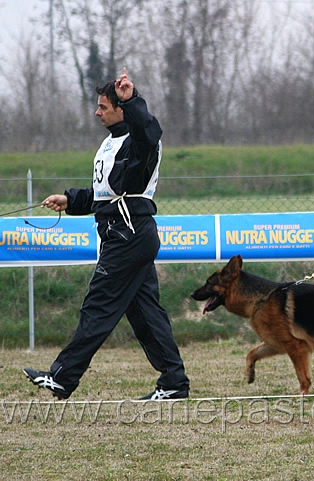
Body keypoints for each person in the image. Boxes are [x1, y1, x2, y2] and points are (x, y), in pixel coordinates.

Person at [24, 68, 190, 400]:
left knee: (98, 306)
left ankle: (62, 377)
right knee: (145, 313)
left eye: (103, 106)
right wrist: (71, 200)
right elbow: (104, 195)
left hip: (129, 236)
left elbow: (149, 133)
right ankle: (174, 382)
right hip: (126, 236)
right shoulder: (110, 142)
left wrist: (133, 99)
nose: (97, 112)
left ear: (119, 108)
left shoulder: (139, 141)